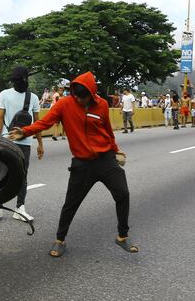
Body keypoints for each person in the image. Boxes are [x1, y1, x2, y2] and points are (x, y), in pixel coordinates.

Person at [9, 71, 136, 258]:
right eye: (75, 95)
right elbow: (45, 123)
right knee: (71, 204)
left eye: (82, 97)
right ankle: (60, 240)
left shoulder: (101, 105)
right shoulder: (64, 104)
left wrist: (116, 149)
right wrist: (25, 132)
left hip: (106, 159)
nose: (78, 99)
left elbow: (107, 131)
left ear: (92, 94)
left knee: (123, 194)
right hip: (82, 164)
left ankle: (122, 236)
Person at [0, 66, 44, 223]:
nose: (17, 83)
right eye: (15, 80)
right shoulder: (4, 94)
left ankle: (20, 208)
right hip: (6, 140)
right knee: (2, 175)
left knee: (22, 175)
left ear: (25, 80)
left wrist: (40, 143)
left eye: (20, 80)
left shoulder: (33, 98)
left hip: (25, 142)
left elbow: (38, 122)